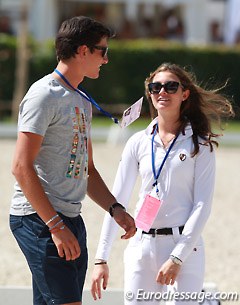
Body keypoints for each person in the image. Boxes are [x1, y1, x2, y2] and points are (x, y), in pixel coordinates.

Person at [9, 16, 136, 305]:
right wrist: (55, 226)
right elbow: (20, 166)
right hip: (39, 220)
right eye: (103, 51)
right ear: (82, 51)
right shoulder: (43, 95)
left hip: (70, 218)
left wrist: (115, 208)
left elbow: (87, 169)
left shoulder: (81, 99)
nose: (106, 60)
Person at [91, 62, 234, 304]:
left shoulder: (200, 145)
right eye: (156, 87)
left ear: (184, 93)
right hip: (142, 245)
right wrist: (101, 259)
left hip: (185, 247)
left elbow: (202, 205)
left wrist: (178, 257)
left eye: (170, 86)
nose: (162, 92)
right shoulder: (137, 143)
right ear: (150, 93)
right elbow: (117, 201)